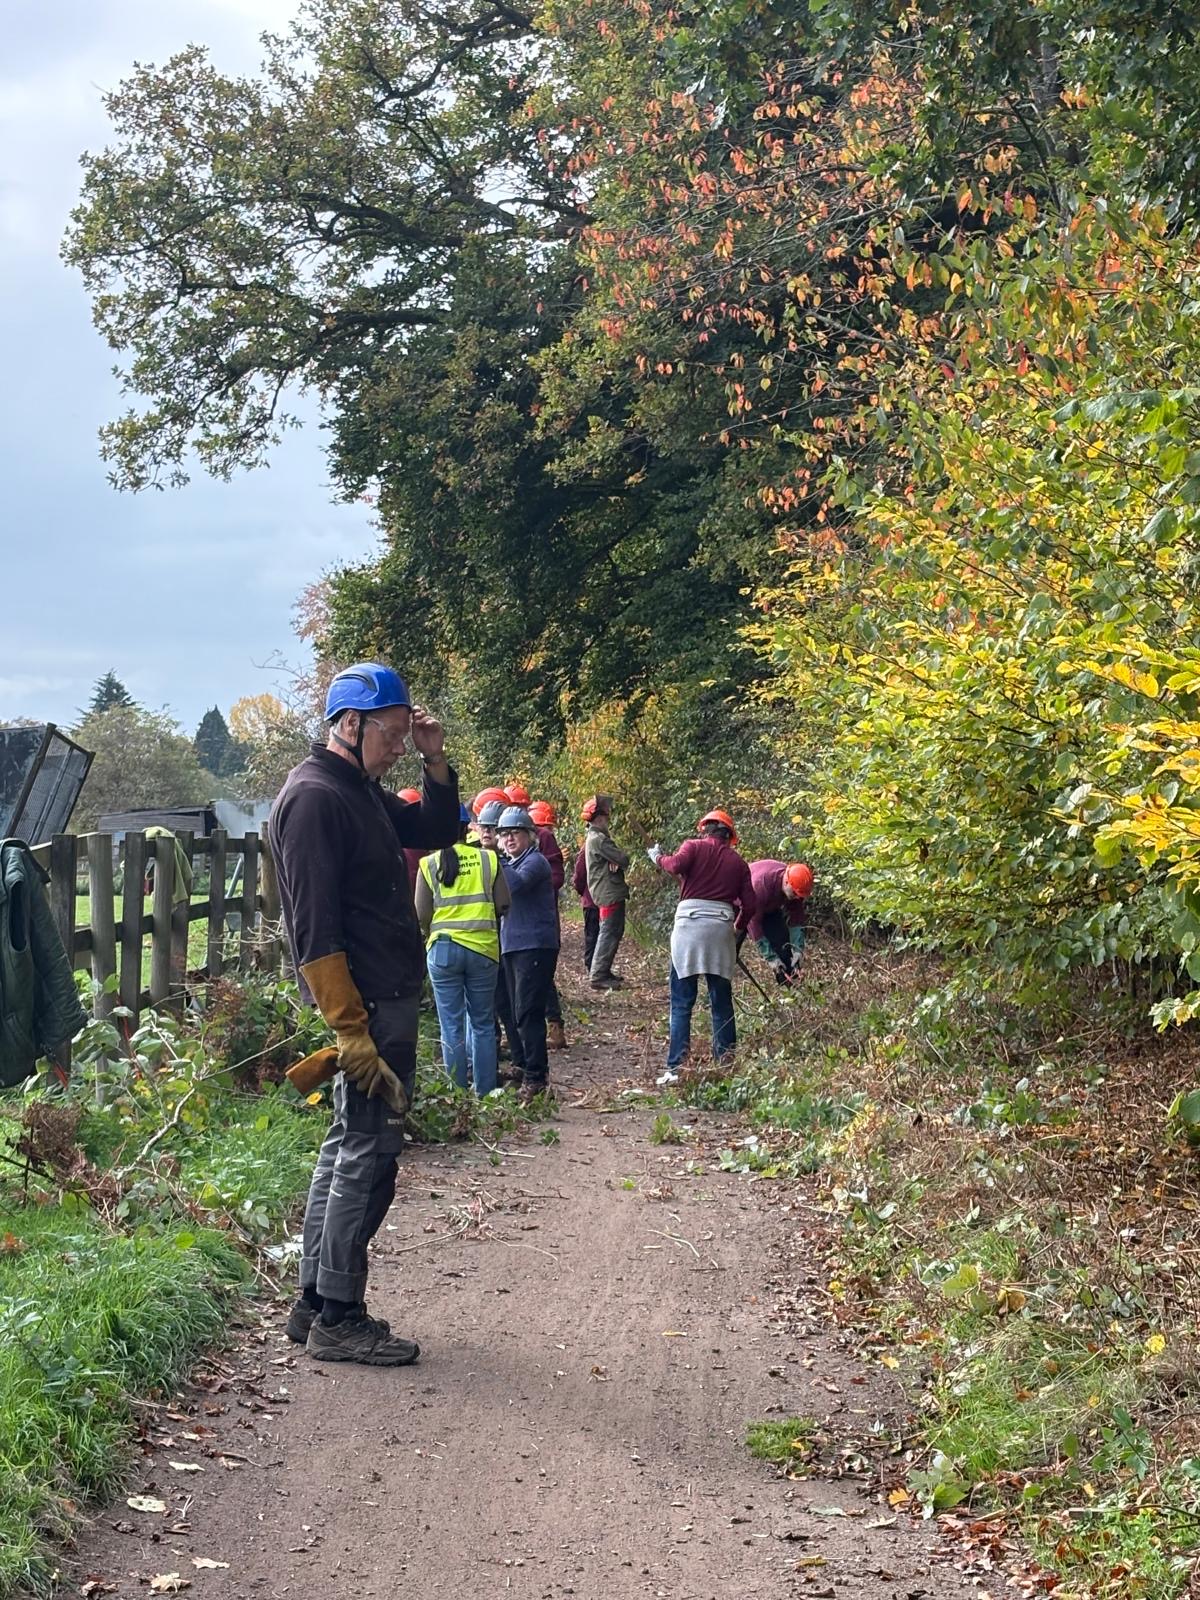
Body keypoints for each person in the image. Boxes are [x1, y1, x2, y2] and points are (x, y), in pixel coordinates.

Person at [271, 661, 460, 1366]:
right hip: (367, 1006)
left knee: (348, 1145)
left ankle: (314, 1303)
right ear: (349, 724)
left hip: (382, 998)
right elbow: (314, 930)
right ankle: (340, 1316)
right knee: (368, 1154)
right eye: (392, 733)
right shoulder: (316, 799)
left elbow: (437, 827)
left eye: (407, 734)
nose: (400, 746)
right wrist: (350, 1030)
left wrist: (435, 758)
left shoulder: (359, 792)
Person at [647, 809, 757, 1084]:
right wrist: (737, 927)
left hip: (689, 928)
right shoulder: (738, 863)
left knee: (681, 1002)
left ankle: (676, 1068)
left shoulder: (693, 847)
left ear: (706, 830)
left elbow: (674, 865)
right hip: (720, 930)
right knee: (721, 1002)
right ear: (729, 836)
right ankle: (726, 1064)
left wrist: (657, 857)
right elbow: (751, 905)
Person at [416, 802, 510, 1097]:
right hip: (483, 949)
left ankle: (456, 1096)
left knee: (451, 1026)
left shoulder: (429, 864)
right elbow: (504, 903)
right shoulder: (488, 859)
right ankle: (485, 1091)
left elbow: (420, 914)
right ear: (465, 828)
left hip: (443, 950)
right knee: (482, 1023)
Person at [496, 804, 559, 1101]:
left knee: (528, 1012)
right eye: (504, 834)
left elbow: (515, 886)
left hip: (534, 945)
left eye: (515, 833)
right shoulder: (513, 862)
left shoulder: (535, 862)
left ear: (530, 836)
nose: (509, 839)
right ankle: (523, 1065)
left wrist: (497, 859)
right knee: (513, 1009)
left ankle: (536, 1077)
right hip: (513, 944)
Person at [529, 799, 567, 1050]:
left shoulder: (543, 837)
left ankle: (554, 1025)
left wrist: (529, 884)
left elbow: (556, 877)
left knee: (542, 973)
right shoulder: (500, 836)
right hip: (512, 922)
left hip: (541, 919)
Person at [739, 860, 813, 982]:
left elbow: (796, 918)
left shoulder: (795, 887)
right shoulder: (760, 886)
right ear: (787, 882)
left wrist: (797, 949)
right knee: (729, 951)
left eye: (799, 895)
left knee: (784, 948)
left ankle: (790, 985)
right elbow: (754, 924)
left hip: (768, 907)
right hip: (741, 906)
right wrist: (771, 958)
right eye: (795, 894)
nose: (797, 898)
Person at [584, 794, 630, 990]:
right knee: (609, 933)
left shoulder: (594, 838)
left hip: (605, 891)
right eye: (606, 816)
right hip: (608, 892)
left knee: (612, 931)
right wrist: (616, 859)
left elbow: (617, 860)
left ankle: (603, 971)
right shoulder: (600, 840)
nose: (608, 819)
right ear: (599, 818)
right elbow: (624, 858)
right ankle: (598, 975)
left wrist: (614, 861)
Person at [572, 799, 601, 970]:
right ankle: (591, 966)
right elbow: (579, 876)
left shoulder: (592, 845)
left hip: (596, 899)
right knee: (592, 935)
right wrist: (582, 891)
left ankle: (597, 967)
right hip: (591, 900)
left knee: (598, 934)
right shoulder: (587, 848)